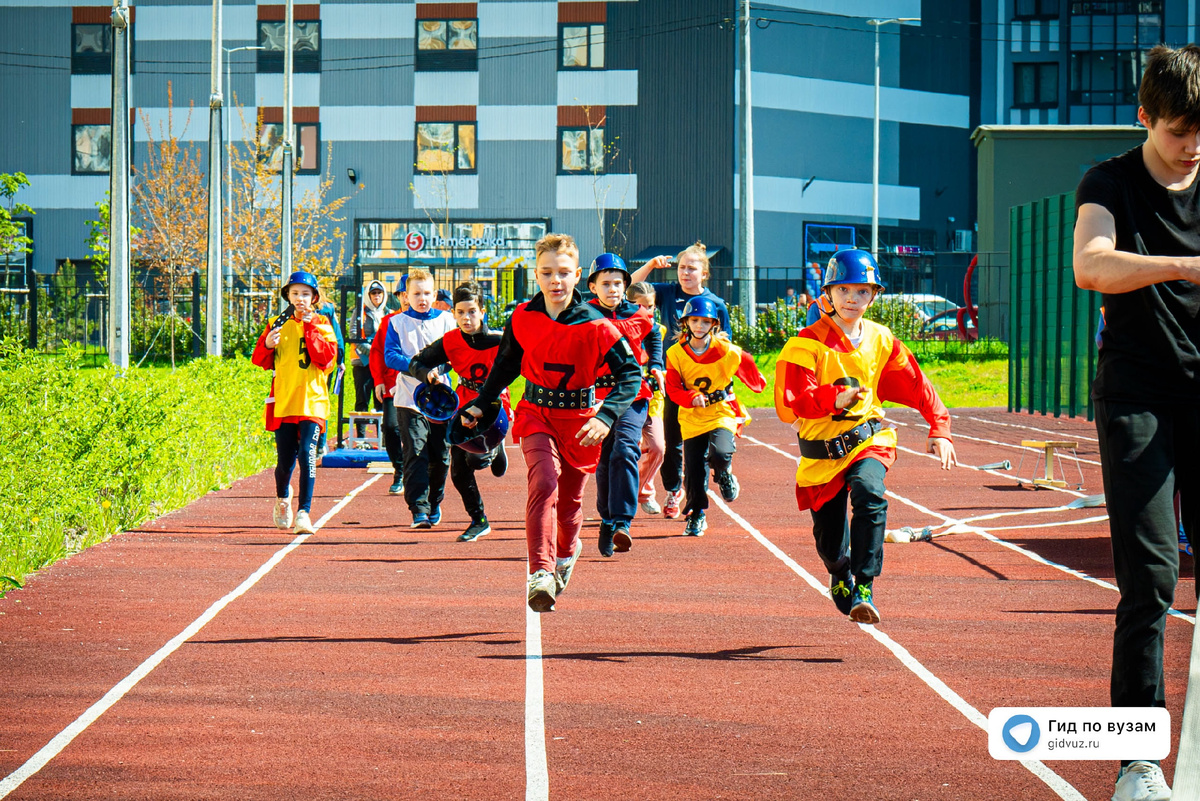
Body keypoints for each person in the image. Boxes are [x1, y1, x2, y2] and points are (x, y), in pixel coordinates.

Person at [1072, 43, 1200, 801]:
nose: (1192, 146)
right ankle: (1138, 757)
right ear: (1145, 115)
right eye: (1180, 129)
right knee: (1150, 578)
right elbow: (1092, 264)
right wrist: (1183, 265)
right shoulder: (1110, 181)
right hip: (1137, 399)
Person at [460, 233, 641, 613]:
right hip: (535, 412)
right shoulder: (522, 317)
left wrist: (607, 417)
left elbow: (631, 377)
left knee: (571, 503)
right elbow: (506, 364)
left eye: (562, 273)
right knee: (544, 482)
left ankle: (565, 553)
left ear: (577, 275)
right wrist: (481, 403)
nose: (555, 280)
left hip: (581, 422)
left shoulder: (599, 325)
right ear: (536, 275)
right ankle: (539, 572)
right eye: (546, 273)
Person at [774, 249, 955, 626]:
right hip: (821, 455)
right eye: (844, 290)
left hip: (868, 439)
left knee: (870, 491)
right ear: (828, 294)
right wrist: (831, 398)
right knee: (828, 545)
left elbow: (918, 385)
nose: (853, 299)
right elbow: (791, 403)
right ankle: (839, 571)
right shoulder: (804, 345)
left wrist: (940, 428)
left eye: (862, 291)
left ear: (874, 296)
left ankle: (865, 585)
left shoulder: (882, 339)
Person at [629, 242, 732, 520]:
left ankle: (721, 467)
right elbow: (630, 288)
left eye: (691, 268)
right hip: (670, 379)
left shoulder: (716, 305)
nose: (685, 273)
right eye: (682, 267)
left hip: (705, 385)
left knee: (708, 439)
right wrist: (651, 265)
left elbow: (727, 345)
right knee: (672, 440)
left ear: (704, 273)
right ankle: (674, 489)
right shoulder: (666, 293)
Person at [409, 281, 510, 543]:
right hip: (463, 404)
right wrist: (427, 374)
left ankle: (495, 447)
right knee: (459, 470)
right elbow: (416, 362)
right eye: (461, 312)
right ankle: (479, 520)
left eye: (472, 311)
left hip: (495, 404)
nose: (467, 318)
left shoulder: (501, 340)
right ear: (453, 313)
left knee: (476, 458)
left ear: (483, 311)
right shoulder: (451, 341)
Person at [663, 296, 765, 537]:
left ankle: (724, 473)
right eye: (694, 321)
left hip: (721, 412)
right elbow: (673, 388)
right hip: (692, 417)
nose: (699, 326)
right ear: (686, 322)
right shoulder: (676, 353)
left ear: (714, 325)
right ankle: (696, 514)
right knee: (694, 469)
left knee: (720, 452)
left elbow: (748, 365)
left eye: (705, 322)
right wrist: (690, 397)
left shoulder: (728, 352)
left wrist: (756, 382)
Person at [251, 271, 338, 535]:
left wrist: (309, 325)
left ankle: (304, 512)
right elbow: (259, 360)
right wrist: (266, 344)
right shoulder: (275, 323)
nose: (300, 299)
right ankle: (282, 499)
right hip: (285, 400)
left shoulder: (323, 323)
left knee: (307, 455)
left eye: (306, 294)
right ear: (287, 295)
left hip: (312, 400)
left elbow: (325, 359)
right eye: (295, 293)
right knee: (285, 461)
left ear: (314, 298)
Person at [586, 254, 663, 557]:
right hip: (595, 395)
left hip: (633, 393)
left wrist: (656, 363)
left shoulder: (639, 314)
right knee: (604, 459)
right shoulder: (582, 313)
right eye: (605, 283)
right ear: (593, 286)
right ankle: (606, 519)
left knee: (625, 448)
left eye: (618, 283)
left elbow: (655, 334)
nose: (613, 289)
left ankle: (623, 522)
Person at [383, 268, 457, 528]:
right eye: (416, 293)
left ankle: (435, 501)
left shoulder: (447, 319)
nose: (422, 298)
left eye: (427, 293)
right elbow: (390, 356)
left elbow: (455, 353)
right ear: (406, 295)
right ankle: (419, 509)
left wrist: (440, 369)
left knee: (440, 456)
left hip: (440, 401)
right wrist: (419, 370)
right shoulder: (396, 323)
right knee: (415, 451)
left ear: (434, 294)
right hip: (408, 398)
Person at [627, 282, 667, 516]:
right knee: (620, 450)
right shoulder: (617, 326)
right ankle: (617, 497)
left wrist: (656, 371)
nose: (645, 312)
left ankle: (642, 490)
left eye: (649, 306)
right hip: (623, 398)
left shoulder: (656, 330)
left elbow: (657, 358)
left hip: (651, 398)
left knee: (658, 447)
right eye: (639, 306)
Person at [370, 303, 406, 496]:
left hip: (421, 384)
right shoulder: (389, 321)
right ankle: (399, 470)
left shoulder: (434, 320)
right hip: (393, 385)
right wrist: (378, 380)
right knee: (391, 427)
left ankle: (419, 471)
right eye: (405, 295)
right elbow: (376, 351)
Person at [351, 280, 388, 445]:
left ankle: (384, 439)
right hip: (363, 363)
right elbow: (354, 335)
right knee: (362, 400)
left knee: (382, 400)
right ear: (368, 295)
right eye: (373, 293)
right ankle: (361, 439)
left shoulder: (389, 313)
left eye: (379, 292)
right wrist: (373, 351)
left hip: (383, 365)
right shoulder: (360, 312)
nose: (377, 296)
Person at [314, 292, 345, 458]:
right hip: (318, 359)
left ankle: (320, 441)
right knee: (319, 399)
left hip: (322, 360)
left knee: (320, 399)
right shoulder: (326, 308)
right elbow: (337, 335)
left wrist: (339, 358)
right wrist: (340, 357)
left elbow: (335, 334)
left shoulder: (326, 309)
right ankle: (318, 443)